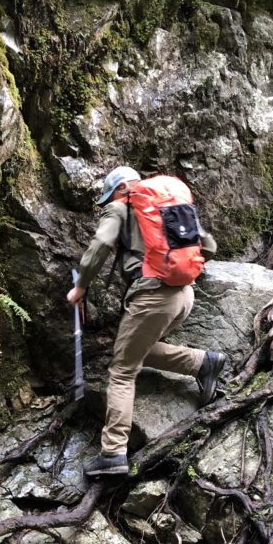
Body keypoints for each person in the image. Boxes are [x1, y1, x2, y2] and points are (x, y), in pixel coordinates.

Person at [67, 166, 227, 476]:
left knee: (122, 370)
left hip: (152, 299)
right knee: (137, 350)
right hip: (183, 295)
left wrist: (81, 286)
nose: (108, 202)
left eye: (109, 196)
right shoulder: (170, 204)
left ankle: (113, 454)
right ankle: (203, 363)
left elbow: (100, 244)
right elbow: (209, 246)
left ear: (122, 188)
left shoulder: (122, 205)